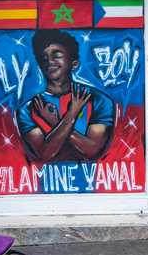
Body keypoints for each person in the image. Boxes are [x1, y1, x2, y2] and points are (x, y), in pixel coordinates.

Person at [16, 29, 114, 163]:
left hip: (92, 180)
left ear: (74, 64)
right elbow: (44, 155)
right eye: (44, 58)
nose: (50, 61)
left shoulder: (99, 100)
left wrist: (55, 122)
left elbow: (92, 151)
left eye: (57, 55)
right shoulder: (27, 110)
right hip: (45, 181)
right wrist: (70, 116)